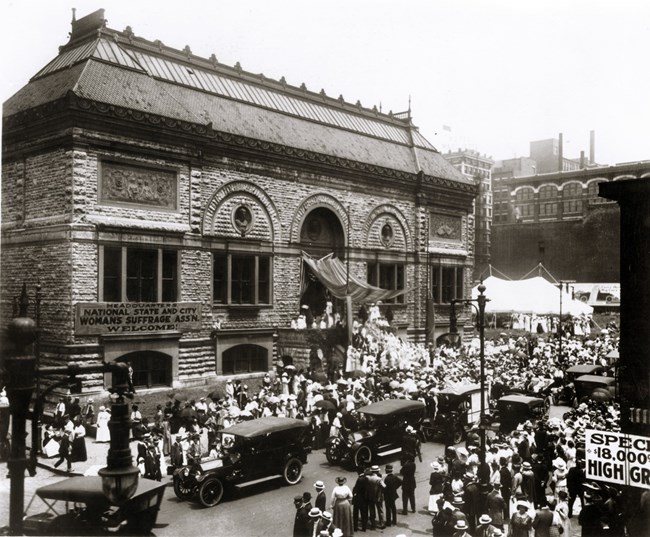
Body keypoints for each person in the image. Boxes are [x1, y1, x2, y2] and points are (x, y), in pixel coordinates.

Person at [366, 465, 384, 530]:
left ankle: (373, 524)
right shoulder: (379, 479)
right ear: (377, 471)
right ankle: (381, 524)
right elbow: (384, 486)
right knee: (380, 510)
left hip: (370, 496)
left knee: (372, 510)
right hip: (378, 496)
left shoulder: (368, 478)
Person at [352, 468, 369, 532]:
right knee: (364, 513)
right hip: (364, 498)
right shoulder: (366, 478)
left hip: (358, 499)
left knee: (355, 514)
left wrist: (354, 491)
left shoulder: (359, 479)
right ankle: (364, 527)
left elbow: (356, 489)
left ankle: (355, 528)